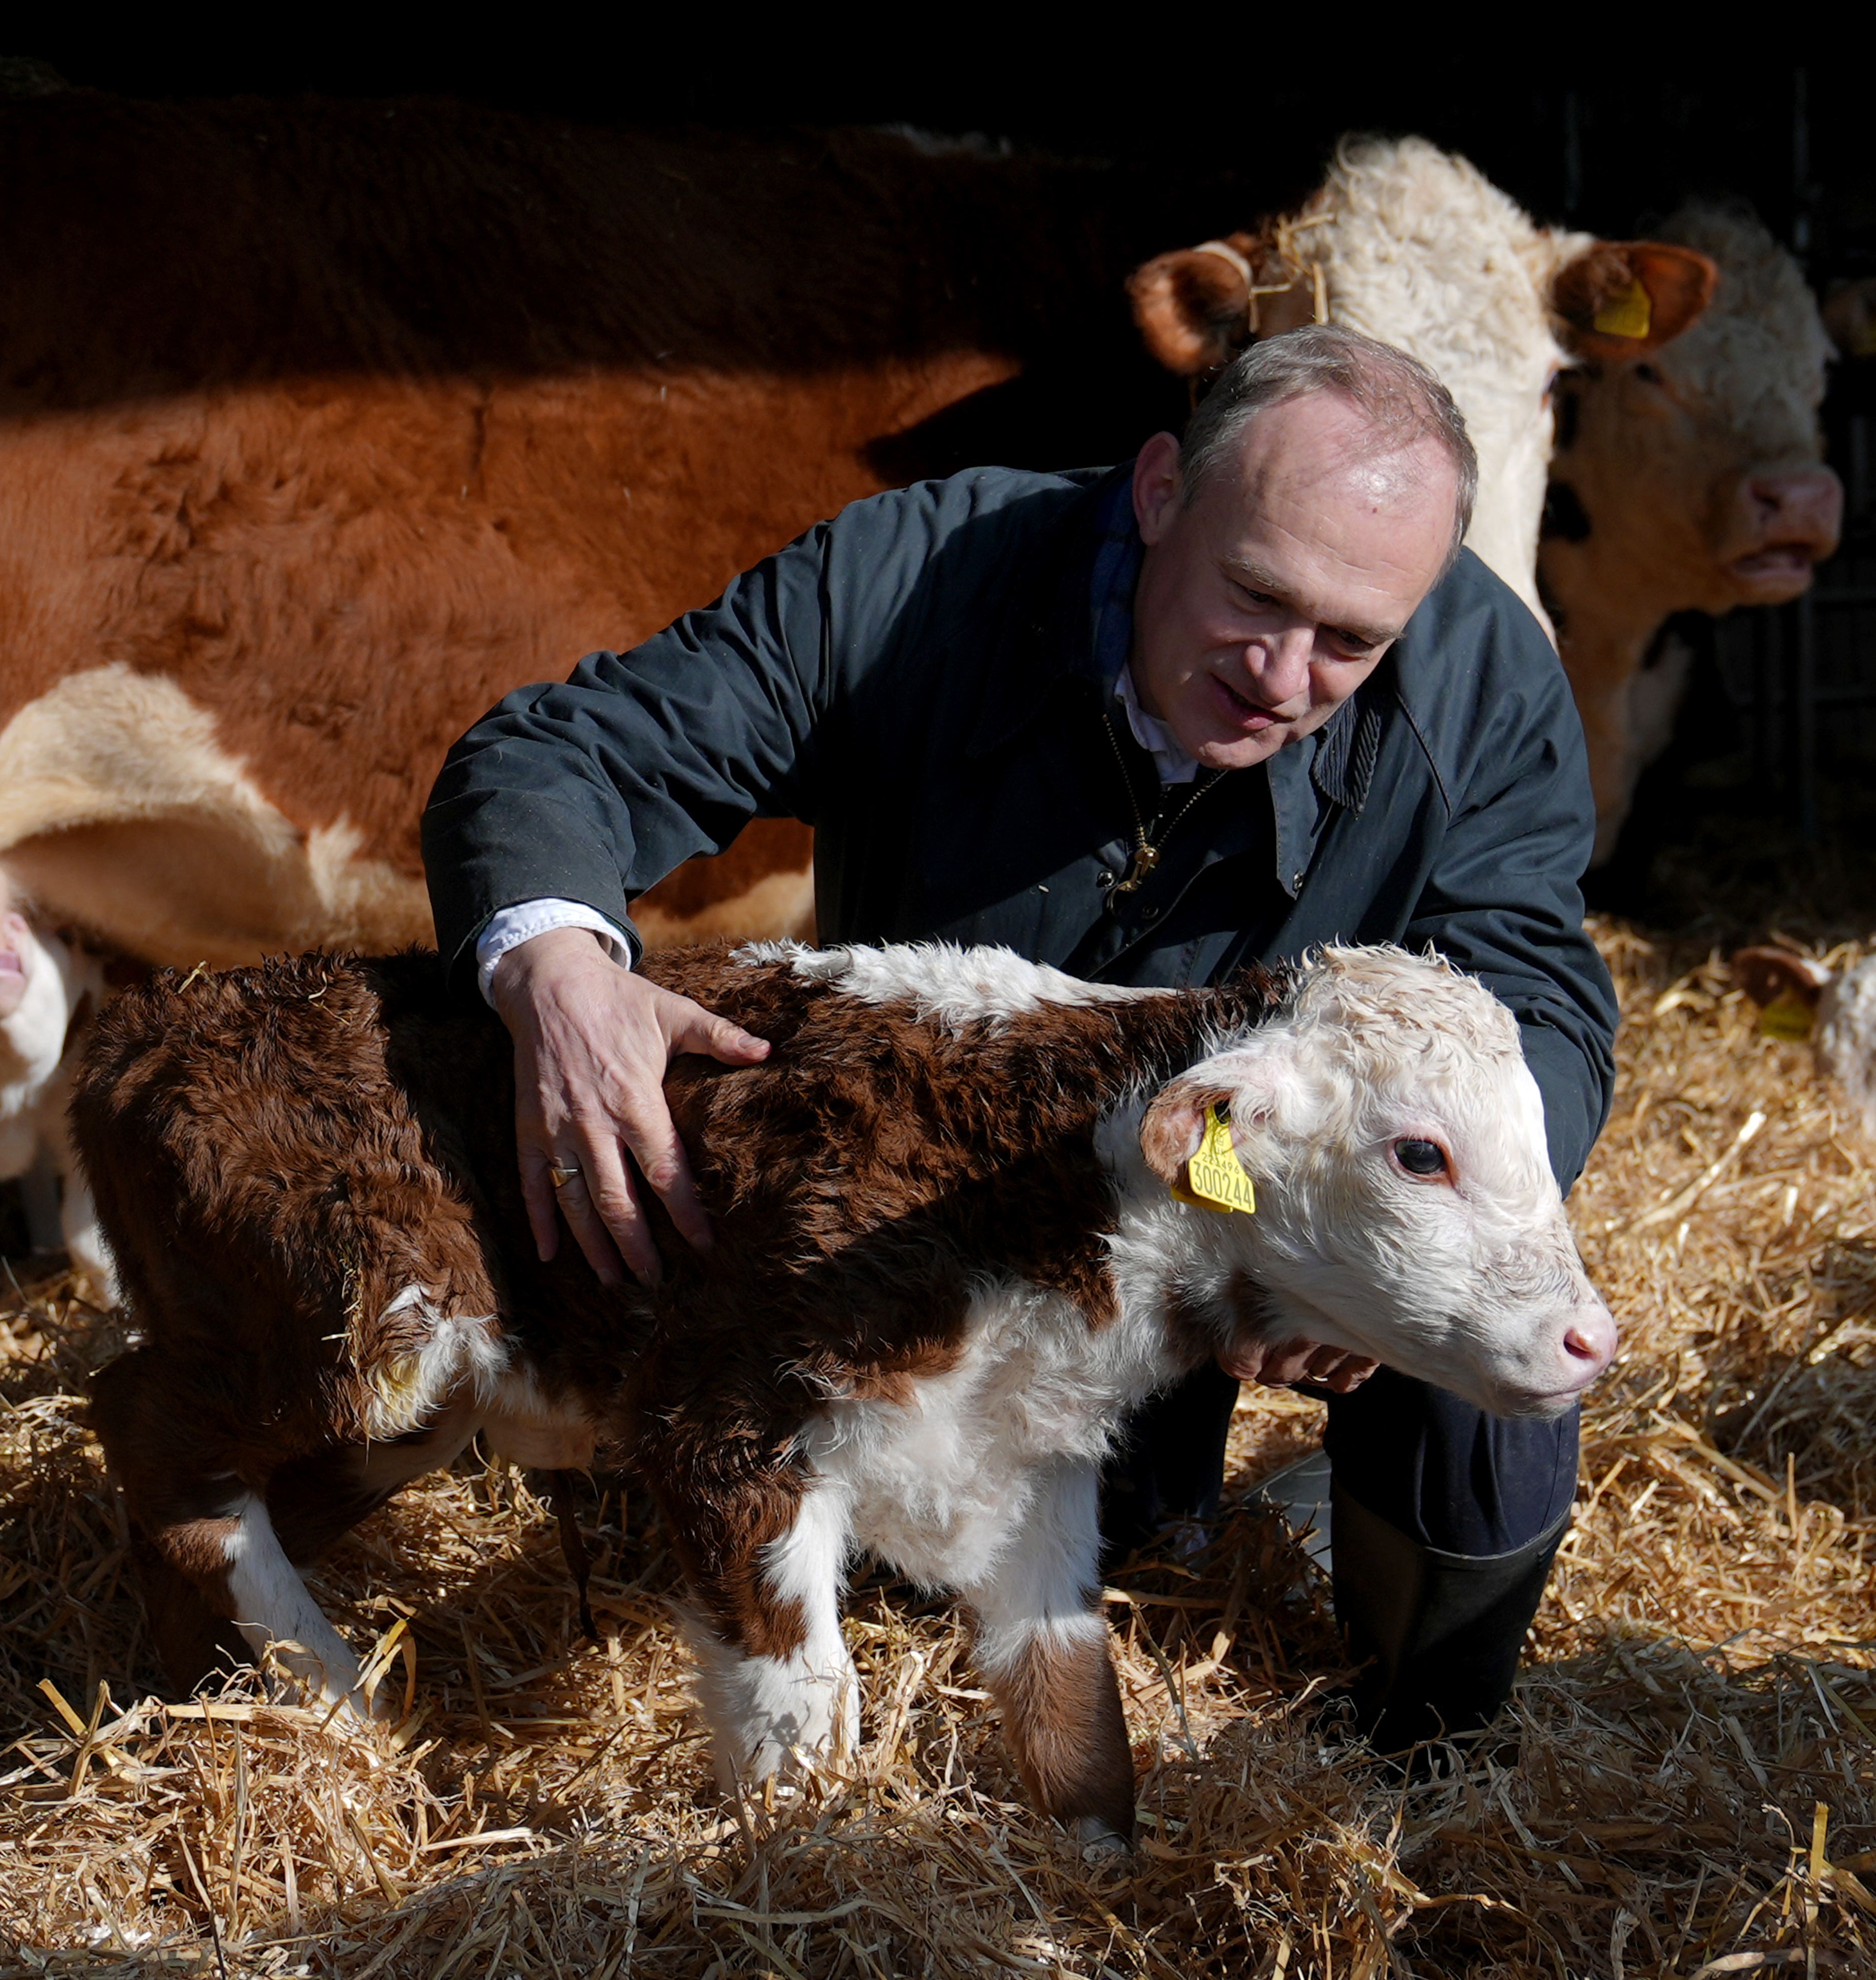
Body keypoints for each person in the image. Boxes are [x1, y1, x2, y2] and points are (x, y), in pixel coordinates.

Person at [420, 325, 1617, 1750]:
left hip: (1261, 1183)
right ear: (1162, 491)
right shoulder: (919, 580)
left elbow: (1538, 997)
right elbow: (563, 753)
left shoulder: (1482, 690)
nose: (1288, 674)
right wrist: (557, 971)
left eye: (1354, 641)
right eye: (1255, 595)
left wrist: (1362, 1198)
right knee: (908, 1546)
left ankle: (1425, 1744)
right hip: (941, 1242)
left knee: (1504, 1343)